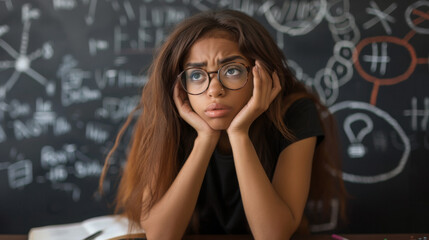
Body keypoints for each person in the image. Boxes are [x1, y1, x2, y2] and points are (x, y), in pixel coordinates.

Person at [100, 9, 346, 240]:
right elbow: (161, 236)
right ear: (180, 87)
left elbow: (273, 235)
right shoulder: (166, 117)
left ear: (262, 74)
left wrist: (239, 134)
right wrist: (205, 139)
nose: (214, 90)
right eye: (196, 75)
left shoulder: (294, 113)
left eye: (232, 71)